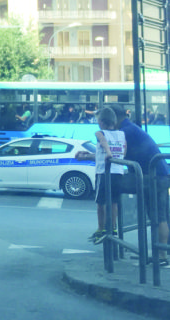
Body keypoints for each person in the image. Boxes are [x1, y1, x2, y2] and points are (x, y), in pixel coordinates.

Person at [111, 104, 170, 267]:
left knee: (159, 217)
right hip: (158, 175)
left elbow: (116, 154)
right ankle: (160, 254)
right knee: (158, 216)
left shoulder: (125, 131)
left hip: (154, 177)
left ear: (115, 118)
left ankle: (163, 256)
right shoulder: (130, 128)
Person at [75, 107, 126, 245]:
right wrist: (87, 156)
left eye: (98, 121)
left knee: (100, 203)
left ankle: (101, 229)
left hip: (103, 173)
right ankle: (113, 227)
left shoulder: (100, 133)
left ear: (102, 122)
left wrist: (108, 152)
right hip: (118, 172)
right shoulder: (121, 134)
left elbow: (102, 141)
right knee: (114, 202)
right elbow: (124, 149)